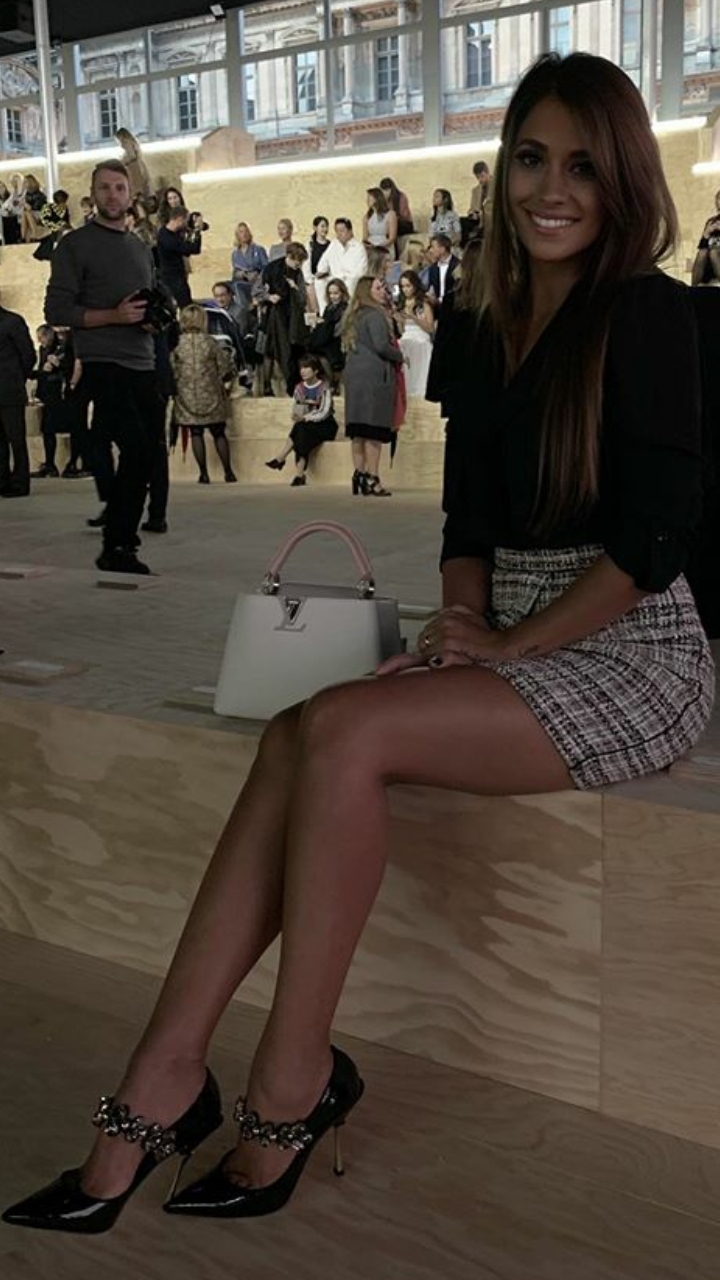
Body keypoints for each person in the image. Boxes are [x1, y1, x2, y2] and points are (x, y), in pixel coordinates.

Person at [5, 51, 716, 1242]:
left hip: (630, 645)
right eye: (532, 159)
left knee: (336, 727)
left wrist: (507, 645)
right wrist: (463, 622)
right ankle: (162, 1077)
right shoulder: (484, 321)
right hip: (507, 630)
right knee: (299, 730)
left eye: (584, 166)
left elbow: (652, 546)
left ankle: (288, 1083)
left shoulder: (646, 311)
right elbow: (467, 525)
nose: (552, 190)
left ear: (626, 179)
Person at [44, 159, 162, 575]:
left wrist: (151, 319)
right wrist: (113, 316)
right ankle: (118, 544)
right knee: (135, 448)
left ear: (130, 196)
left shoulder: (139, 247)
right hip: (103, 363)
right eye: (105, 188)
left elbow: (145, 300)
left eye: (120, 188)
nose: (113, 195)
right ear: (93, 194)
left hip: (144, 360)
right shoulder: (74, 245)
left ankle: (119, 537)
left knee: (148, 456)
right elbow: (57, 310)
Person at [343, 274, 403, 497]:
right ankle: (372, 478)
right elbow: (381, 346)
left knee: (358, 430)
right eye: (378, 288)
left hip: (354, 375)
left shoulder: (352, 316)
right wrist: (400, 356)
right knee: (373, 431)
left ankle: (359, 474)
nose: (383, 292)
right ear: (367, 291)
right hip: (374, 377)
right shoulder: (375, 315)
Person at [170, 304, 237, 485]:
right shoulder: (210, 342)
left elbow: (172, 369)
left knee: (196, 433)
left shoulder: (177, 344)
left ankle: (204, 474)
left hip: (186, 396)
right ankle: (228, 472)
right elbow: (224, 368)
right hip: (211, 394)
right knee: (218, 433)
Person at [264, 354, 338, 486]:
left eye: (306, 367)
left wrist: (305, 417)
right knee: (301, 430)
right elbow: (297, 405)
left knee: (301, 430)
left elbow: (324, 412)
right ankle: (298, 474)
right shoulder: (299, 388)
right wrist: (297, 415)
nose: (302, 371)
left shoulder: (324, 388)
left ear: (315, 370)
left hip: (325, 424)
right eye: (301, 368)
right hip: (306, 424)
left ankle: (281, 458)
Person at [259, 241, 309, 396]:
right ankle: (266, 385)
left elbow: (302, 297)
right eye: (296, 261)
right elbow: (257, 290)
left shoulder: (297, 273)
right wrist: (269, 297)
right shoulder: (271, 268)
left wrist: (294, 287)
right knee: (269, 350)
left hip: (291, 318)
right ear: (289, 256)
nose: (298, 265)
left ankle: (292, 385)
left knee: (290, 350)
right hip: (272, 315)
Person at [0, 291, 34, 498]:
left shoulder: (12, 322)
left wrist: (19, 378)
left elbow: (28, 354)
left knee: (16, 439)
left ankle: (20, 482)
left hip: (10, 389)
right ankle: (2, 480)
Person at [29, 325, 71, 479]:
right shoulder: (44, 350)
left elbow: (66, 367)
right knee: (47, 430)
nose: (40, 341)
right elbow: (43, 370)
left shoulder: (61, 349)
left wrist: (56, 365)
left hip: (56, 393)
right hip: (46, 392)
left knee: (50, 428)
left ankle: (52, 465)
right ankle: (49, 463)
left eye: (41, 337)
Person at [314, 218, 368, 314]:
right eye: (337, 231)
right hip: (334, 279)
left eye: (342, 231)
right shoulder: (334, 244)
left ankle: (347, 312)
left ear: (350, 231)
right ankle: (324, 313)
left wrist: (342, 279)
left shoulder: (358, 248)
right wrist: (322, 272)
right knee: (319, 282)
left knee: (350, 283)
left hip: (349, 280)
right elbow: (322, 263)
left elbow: (360, 272)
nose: (339, 234)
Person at [395, 271, 434, 398]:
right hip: (407, 336)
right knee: (400, 344)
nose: (405, 289)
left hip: (421, 336)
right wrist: (399, 321)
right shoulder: (401, 303)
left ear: (415, 285)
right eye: (403, 286)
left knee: (419, 346)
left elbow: (430, 328)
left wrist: (414, 318)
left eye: (408, 286)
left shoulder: (424, 303)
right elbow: (402, 331)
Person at [306, 277, 349, 388]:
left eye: (336, 293)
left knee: (322, 349)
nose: (333, 296)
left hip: (337, 340)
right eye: (330, 293)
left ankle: (333, 382)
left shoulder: (344, 308)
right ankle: (331, 381)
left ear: (342, 293)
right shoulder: (329, 307)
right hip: (327, 338)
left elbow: (339, 329)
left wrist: (324, 325)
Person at [157, 209, 202, 309]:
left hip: (178, 276)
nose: (187, 223)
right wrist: (197, 230)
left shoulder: (170, 233)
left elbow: (186, 251)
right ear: (180, 219)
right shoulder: (167, 238)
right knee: (186, 306)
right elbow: (194, 249)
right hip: (173, 279)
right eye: (186, 220)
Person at [231, 222, 268, 332]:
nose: (244, 234)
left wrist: (257, 275)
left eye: (246, 231)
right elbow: (235, 272)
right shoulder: (235, 254)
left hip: (257, 282)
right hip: (243, 282)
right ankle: (246, 309)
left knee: (238, 286)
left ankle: (248, 308)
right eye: (241, 232)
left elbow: (266, 268)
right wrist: (239, 274)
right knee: (233, 285)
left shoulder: (258, 249)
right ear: (237, 235)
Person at [691, 190, 720, 287]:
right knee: (702, 253)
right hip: (710, 262)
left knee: (713, 252)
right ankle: (693, 288)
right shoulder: (712, 221)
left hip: (716, 255)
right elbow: (702, 245)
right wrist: (707, 233)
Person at [460, 161, 492, 247]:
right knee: (462, 221)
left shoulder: (497, 187)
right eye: (478, 177)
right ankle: (465, 248)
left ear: (487, 173)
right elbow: (472, 208)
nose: (480, 180)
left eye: (482, 176)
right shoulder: (475, 191)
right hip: (479, 219)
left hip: (492, 218)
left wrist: (485, 212)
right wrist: (472, 213)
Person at [425, 234, 460, 310]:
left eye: (432, 247)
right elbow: (431, 289)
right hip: (437, 309)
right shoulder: (432, 268)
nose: (430, 251)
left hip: (454, 308)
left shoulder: (457, 266)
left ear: (442, 249)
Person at [116, 128, 152, 200]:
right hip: (138, 167)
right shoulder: (134, 143)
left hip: (133, 169)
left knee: (136, 191)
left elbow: (131, 155)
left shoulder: (126, 142)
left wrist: (120, 162)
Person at [362, 188, 398, 260]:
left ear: (377, 199)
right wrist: (366, 245)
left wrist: (378, 247)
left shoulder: (390, 214)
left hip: (384, 247)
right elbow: (365, 237)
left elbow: (392, 238)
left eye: (369, 198)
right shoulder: (367, 216)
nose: (367, 200)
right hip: (370, 247)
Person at [20, 174, 48, 243]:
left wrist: (28, 207)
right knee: (25, 213)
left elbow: (37, 207)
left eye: (25, 182)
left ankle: (35, 234)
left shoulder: (39, 194)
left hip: (41, 213)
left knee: (27, 213)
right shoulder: (27, 193)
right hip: (30, 213)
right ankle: (23, 237)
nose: (24, 184)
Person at [0, 175, 24, 244]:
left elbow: (15, 204)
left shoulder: (10, 197)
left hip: (13, 219)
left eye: (2, 186)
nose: (1, 189)